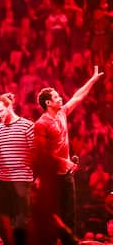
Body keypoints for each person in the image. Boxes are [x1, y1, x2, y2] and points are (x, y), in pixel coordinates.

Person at [33, 65, 104, 244]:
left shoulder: (62, 112)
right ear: (48, 103)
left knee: (70, 217)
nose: (60, 98)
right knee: (54, 219)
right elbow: (40, 154)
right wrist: (62, 162)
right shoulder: (41, 124)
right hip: (52, 179)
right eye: (56, 97)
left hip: (66, 175)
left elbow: (77, 96)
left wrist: (92, 80)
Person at [0, 92, 34, 245]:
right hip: (2, 181)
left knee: (21, 222)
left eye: (1, 111)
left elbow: (36, 153)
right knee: (4, 223)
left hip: (21, 179)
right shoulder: (0, 128)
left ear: (9, 107)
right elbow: (0, 153)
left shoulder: (27, 126)